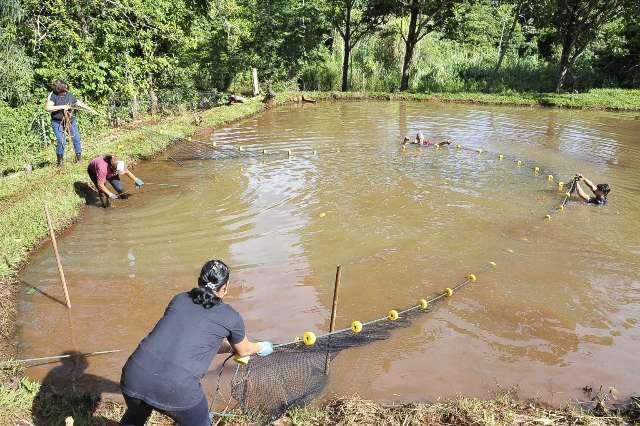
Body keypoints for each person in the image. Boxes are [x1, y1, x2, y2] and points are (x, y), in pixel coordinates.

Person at [119, 260, 273, 426]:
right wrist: (262, 346)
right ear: (226, 287)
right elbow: (244, 350)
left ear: (199, 281)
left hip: (134, 376)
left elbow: (191, 341)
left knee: (136, 415)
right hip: (177, 388)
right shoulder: (231, 317)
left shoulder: (179, 299)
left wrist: (229, 348)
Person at [44, 79, 98, 166]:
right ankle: (60, 163)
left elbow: (78, 103)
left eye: (66, 89)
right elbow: (47, 108)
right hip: (57, 123)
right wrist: (62, 107)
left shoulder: (68, 94)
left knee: (76, 138)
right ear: (59, 91)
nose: (66, 92)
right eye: (64, 91)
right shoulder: (53, 95)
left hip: (70, 121)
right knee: (62, 141)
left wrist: (91, 110)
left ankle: (79, 159)